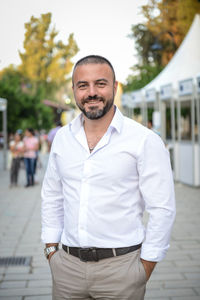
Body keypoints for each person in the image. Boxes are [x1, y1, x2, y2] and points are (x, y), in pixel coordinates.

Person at [41, 55, 176, 300]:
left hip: (121, 270)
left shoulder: (144, 140)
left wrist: (144, 268)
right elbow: (52, 194)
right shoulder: (62, 139)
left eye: (100, 84)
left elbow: (162, 208)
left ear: (115, 87)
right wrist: (51, 249)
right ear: (74, 90)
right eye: (83, 85)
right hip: (67, 269)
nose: (91, 92)